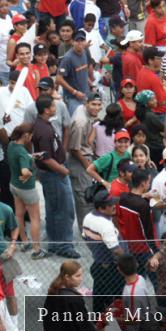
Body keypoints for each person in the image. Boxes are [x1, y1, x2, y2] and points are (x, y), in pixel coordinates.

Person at [32, 95, 80, 258]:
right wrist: (63, 170)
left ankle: (54, 243)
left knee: (53, 209)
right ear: (46, 110)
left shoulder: (42, 124)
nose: (56, 108)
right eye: (53, 106)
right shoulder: (44, 130)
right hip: (54, 174)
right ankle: (65, 246)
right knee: (64, 210)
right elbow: (46, 157)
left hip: (52, 174)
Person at [82, 190, 126, 312]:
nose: (114, 206)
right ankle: (112, 320)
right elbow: (116, 250)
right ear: (101, 208)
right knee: (115, 296)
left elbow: (85, 237)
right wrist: (128, 260)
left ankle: (98, 318)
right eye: (110, 204)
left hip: (99, 263)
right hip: (110, 267)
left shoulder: (89, 217)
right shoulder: (105, 224)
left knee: (99, 293)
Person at [7, 124, 47, 259]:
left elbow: (20, 159)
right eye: (31, 135)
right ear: (26, 136)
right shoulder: (23, 153)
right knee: (35, 218)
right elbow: (24, 170)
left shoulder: (12, 145)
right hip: (27, 189)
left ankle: (24, 242)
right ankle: (37, 250)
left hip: (14, 185)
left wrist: (31, 157)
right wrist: (29, 174)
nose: (32, 137)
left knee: (19, 214)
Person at [67, 93, 103, 230]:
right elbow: (74, 149)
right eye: (93, 104)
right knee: (83, 196)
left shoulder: (85, 112)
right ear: (86, 103)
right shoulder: (80, 122)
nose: (96, 108)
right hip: (79, 161)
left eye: (99, 105)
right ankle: (86, 230)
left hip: (87, 156)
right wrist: (88, 166)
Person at [42, 261, 101, 331]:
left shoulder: (54, 290)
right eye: (77, 276)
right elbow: (84, 326)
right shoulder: (72, 298)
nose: (81, 278)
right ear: (67, 277)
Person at [56, 29, 90, 115]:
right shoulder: (68, 58)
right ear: (72, 42)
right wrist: (74, 92)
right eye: (77, 40)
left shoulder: (85, 52)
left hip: (84, 95)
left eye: (82, 40)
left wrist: (91, 84)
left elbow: (84, 71)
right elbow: (58, 79)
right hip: (72, 98)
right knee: (74, 122)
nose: (80, 43)